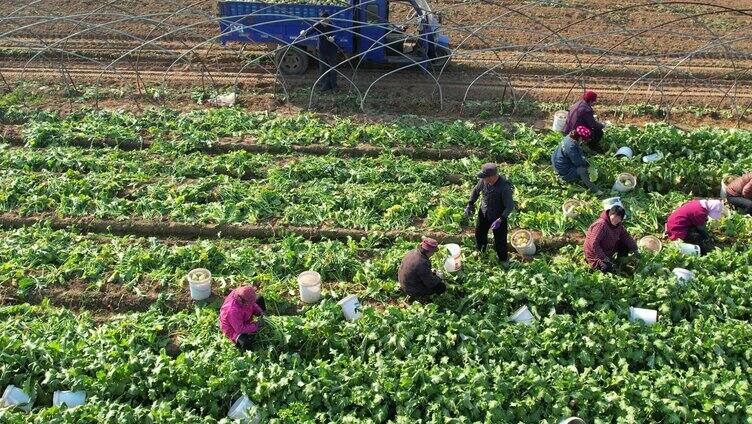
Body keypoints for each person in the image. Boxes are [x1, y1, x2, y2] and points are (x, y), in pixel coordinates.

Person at [465, 163, 515, 265]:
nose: (483, 179)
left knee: (500, 239)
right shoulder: (484, 181)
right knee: (479, 233)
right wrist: (470, 203)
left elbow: (509, 206)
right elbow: (475, 191)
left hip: (498, 217)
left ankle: (503, 259)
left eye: (485, 177)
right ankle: (481, 251)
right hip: (484, 212)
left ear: (492, 176)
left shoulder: (504, 187)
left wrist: (501, 219)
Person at [584, 205, 639, 273]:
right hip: (595, 254)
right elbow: (594, 244)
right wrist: (603, 257)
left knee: (625, 245)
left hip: (608, 249)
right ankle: (604, 265)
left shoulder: (618, 225)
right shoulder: (601, 225)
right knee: (607, 268)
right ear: (610, 214)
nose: (616, 220)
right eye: (614, 217)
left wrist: (635, 249)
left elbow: (626, 236)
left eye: (618, 218)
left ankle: (620, 263)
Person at [552, 126, 600, 194]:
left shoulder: (570, 136)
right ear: (580, 138)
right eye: (583, 140)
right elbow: (579, 163)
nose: (583, 142)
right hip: (562, 170)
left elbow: (578, 148)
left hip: (556, 160)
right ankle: (594, 189)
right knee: (583, 170)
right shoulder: (571, 147)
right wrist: (588, 163)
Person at [219, 286, 266, 351]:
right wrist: (256, 326)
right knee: (246, 342)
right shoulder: (232, 311)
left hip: (243, 315)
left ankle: (265, 316)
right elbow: (240, 329)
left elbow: (253, 304)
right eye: (249, 303)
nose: (251, 304)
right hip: (233, 328)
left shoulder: (241, 294)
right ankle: (250, 352)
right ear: (243, 301)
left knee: (260, 298)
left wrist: (260, 311)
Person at [301, 12, 338, 91]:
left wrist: (333, 38)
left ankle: (334, 86)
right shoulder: (318, 25)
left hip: (332, 50)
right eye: (322, 21)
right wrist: (304, 33)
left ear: (329, 19)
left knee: (333, 68)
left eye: (326, 21)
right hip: (321, 50)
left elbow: (337, 33)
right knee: (323, 68)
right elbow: (310, 31)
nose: (324, 23)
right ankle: (325, 85)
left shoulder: (332, 25)